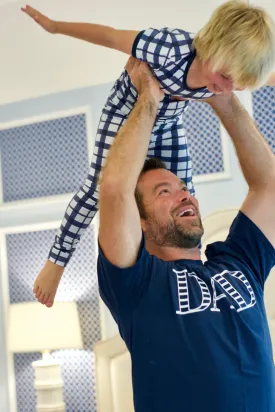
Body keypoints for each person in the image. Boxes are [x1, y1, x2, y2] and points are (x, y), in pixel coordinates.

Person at [21, 1, 275, 307]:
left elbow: (262, 77)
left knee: (186, 194)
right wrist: (55, 27)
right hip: (126, 114)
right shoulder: (168, 48)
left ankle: (189, 267)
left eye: (235, 83)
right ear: (212, 45)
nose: (223, 88)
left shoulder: (225, 79)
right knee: (97, 189)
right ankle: (56, 262)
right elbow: (111, 36)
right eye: (223, 76)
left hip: (167, 123)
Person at [97, 56, 275, 412]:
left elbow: (269, 186)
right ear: (140, 221)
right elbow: (115, 188)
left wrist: (220, 96)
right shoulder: (136, 283)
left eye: (182, 188)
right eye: (164, 192)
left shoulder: (239, 261)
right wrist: (148, 96)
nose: (184, 194)